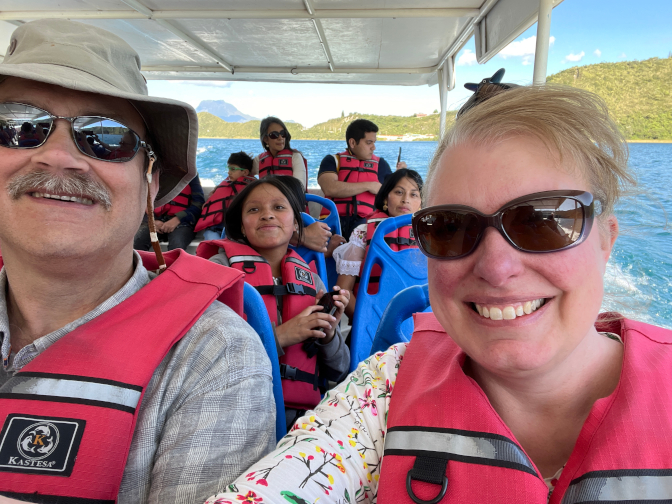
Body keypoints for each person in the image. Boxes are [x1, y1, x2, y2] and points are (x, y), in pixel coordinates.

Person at [205, 83, 672, 504]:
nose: (496, 267)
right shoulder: (383, 393)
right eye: (449, 227)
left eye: (543, 221)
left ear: (607, 239)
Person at [0, 19, 275, 504]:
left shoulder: (214, 357)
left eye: (106, 136)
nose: (59, 156)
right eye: (19, 127)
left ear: (149, 183)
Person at [196, 176, 351, 430]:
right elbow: (203, 360)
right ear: (241, 226)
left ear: (295, 226)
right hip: (236, 414)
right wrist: (280, 337)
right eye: (254, 209)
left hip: (299, 422)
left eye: (279, 207)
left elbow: (339, 370)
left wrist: (328, 334)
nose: (267, 215)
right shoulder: (218, 272)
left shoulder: (313, 282)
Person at [333, 168, 423, 319]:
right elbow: (344, 288)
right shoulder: (363, 232)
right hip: (370, 321)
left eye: (413, 194)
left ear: (420, 204)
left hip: (417, 324)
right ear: (386, 199)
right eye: (399, 192)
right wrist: (366, 323)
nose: (405, 199)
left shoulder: (429, 237)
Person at [317, 118, 407, 240]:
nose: (373, 147)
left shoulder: (381, 164)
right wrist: (369, 185)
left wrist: (401, 175)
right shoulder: (332, 160)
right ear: (353, 143)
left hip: (366, 223)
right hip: (332, 223)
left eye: (374, 142)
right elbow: (330, 188)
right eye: (369, 143)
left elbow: (394, 193)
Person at [195, 151, 256, 241]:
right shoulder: (224, 184)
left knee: (226, 246)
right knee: (212, 244)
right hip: (214, 227)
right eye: (229, 168)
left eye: (233, 169)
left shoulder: (252, 188)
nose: (229, 172)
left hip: (234, 229)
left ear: (245, 172)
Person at [134, 174, 205, 251]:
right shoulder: (150, 172)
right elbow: (140, 202)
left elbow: (198, 204)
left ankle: (175, 263)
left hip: (182, 222)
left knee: (177, 245)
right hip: (155, 221)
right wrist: (151, 221)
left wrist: (177, 219)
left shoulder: (191, 173)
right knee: (137, 242)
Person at [251, 117, 308, 190]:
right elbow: (243, 173)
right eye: (274, 135)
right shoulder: (259, 160)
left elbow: (300, 188)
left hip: (289, 200)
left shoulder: (295, 157)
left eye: (282, 133)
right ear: (265, 139)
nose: (280, 138)